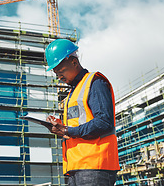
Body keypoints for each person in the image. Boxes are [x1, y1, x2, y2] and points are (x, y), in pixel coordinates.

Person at [45, 39, 120, 186]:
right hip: (77, 166)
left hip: (94, 165)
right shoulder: (72, 94)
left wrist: (68, 130)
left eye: (61, 71)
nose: (59, 76)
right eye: (56, 73)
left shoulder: (94, 82)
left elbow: (104, 122)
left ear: (73, 62)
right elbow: (80, 124)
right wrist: (61, 127)